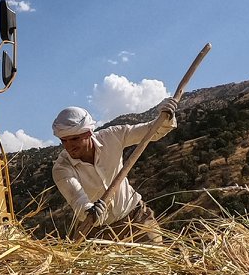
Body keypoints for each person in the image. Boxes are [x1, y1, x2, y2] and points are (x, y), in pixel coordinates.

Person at [50, 101, 178, 244]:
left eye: (74, 139)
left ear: (88, 133)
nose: (69, 146)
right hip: (98, 232)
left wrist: (166, 117)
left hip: (136, 219)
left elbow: (151, 131)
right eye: (64, 141)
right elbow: (77, 199)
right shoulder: (61, 168)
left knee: (158, 261)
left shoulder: (112, 136)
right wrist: (90, 212)